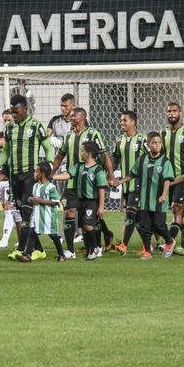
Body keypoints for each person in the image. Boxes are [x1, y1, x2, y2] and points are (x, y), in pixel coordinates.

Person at [0, 93, 54, 260]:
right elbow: (5, 151)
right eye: (12, 112)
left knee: (27, 214)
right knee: (20, 213)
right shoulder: (9, 128)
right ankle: (39, 250)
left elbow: (48, 148)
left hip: (30, 175)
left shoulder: (36, 126)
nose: (14, 115)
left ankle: (24, 250)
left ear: (26, 109)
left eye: (17, 111)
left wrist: (48, 165)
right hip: (14, 176)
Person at [54, 107, 111, 258]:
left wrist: (110, 175)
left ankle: (95, 246)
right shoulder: (68, 136)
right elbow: (60, 156)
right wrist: (52, 172)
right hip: (72, 182)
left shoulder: (93, 134)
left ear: (83, 117)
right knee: (69, 213)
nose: (71, 118)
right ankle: (70, 250)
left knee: (90, 219)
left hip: (89, 184)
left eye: (74, 116)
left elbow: (104, 155)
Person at [122, 132, 176, 260]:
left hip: (158, 200)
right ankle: (148, 251)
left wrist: (164, 194)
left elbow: (168, 180)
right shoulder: (142, 160)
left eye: (159, 143)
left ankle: (170, 241)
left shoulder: (165, 162)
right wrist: (120, 181)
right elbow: (132, 174)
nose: (157, 145)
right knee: (143, 226)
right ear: (148, 145)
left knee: (159, 225)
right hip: (145, 200)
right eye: (154, 143)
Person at [162, 102, 184, 250]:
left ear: (180, 113)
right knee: (176, 211)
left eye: (174, 111)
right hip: (168, 179)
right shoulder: (163, 133)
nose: (171, 114)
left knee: (177, 208)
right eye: (169, 111)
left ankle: (170, 242)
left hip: (183, 178)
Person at [110, 110, 146, 255]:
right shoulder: (119, 140)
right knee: (137, 217)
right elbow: (115, 160)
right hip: (125, 183)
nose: (121, 123)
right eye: (121, 120)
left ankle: (124, 244)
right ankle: (149, 244)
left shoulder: (143, 140)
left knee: (131, 214)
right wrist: (110, 176)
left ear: (133, 122)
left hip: (140, 183)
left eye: (124, 120)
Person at [19, 161, 66, 262]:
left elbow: (55, 202)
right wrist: (31, 199)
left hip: (48, 217)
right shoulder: (35, 186)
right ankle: (27, 254)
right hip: (37, 215)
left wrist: (41, 201)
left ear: (43, 174)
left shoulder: (51, 187)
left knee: (53, 235)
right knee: (32, 233)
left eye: (36, 171)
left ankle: (61, 254)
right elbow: (35, 197)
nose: (34, 173)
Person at [74, 141, 109, 260]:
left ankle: (95, 247)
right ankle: (89, 250)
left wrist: (101, 206)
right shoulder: (80, 166)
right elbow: (68, 174)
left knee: (88, 226)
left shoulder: (98, 170)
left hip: (92, 201)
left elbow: (101, 189)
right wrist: (53, 176)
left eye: (82, 151)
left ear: (88, 153)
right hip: (81, 201)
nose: (81, 153)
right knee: (84, 227)